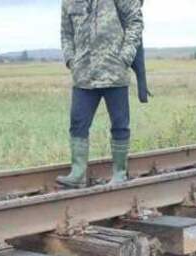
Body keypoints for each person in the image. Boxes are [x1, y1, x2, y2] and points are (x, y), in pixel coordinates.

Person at [58, 0, 144, 189]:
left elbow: (135, 21)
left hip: (114, 71)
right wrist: (71, 60)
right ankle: (77, 173)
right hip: (83, 74)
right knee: (78, 124)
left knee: (120, 125)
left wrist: (125, 56)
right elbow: (66, 33)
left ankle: (119, 174)